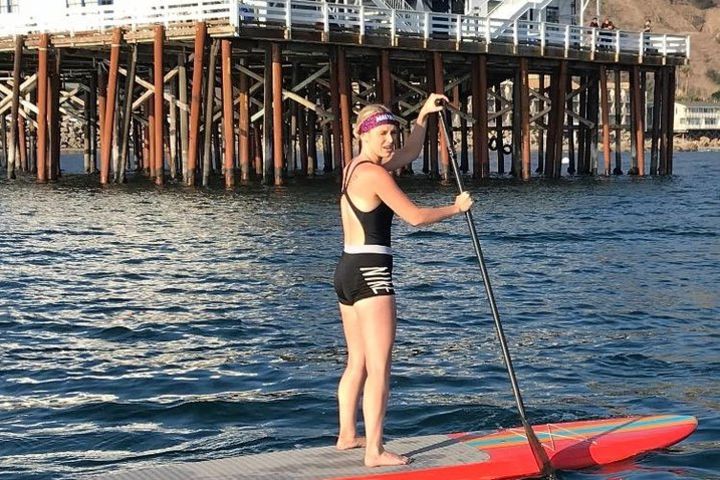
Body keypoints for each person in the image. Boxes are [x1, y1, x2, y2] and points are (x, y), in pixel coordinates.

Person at [333, 94, 473, 468]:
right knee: (379, 365)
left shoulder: (355, 168)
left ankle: (347, 435)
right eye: (383, 134)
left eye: (394, 133)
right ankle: (374, 451)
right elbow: (414, 217)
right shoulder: (375, 174)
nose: (391, 141)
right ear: (364, 134)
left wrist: (423, 116)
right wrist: (455, 209)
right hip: (372, 272)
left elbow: (409, 153)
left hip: (346, 270)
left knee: (357, 360)